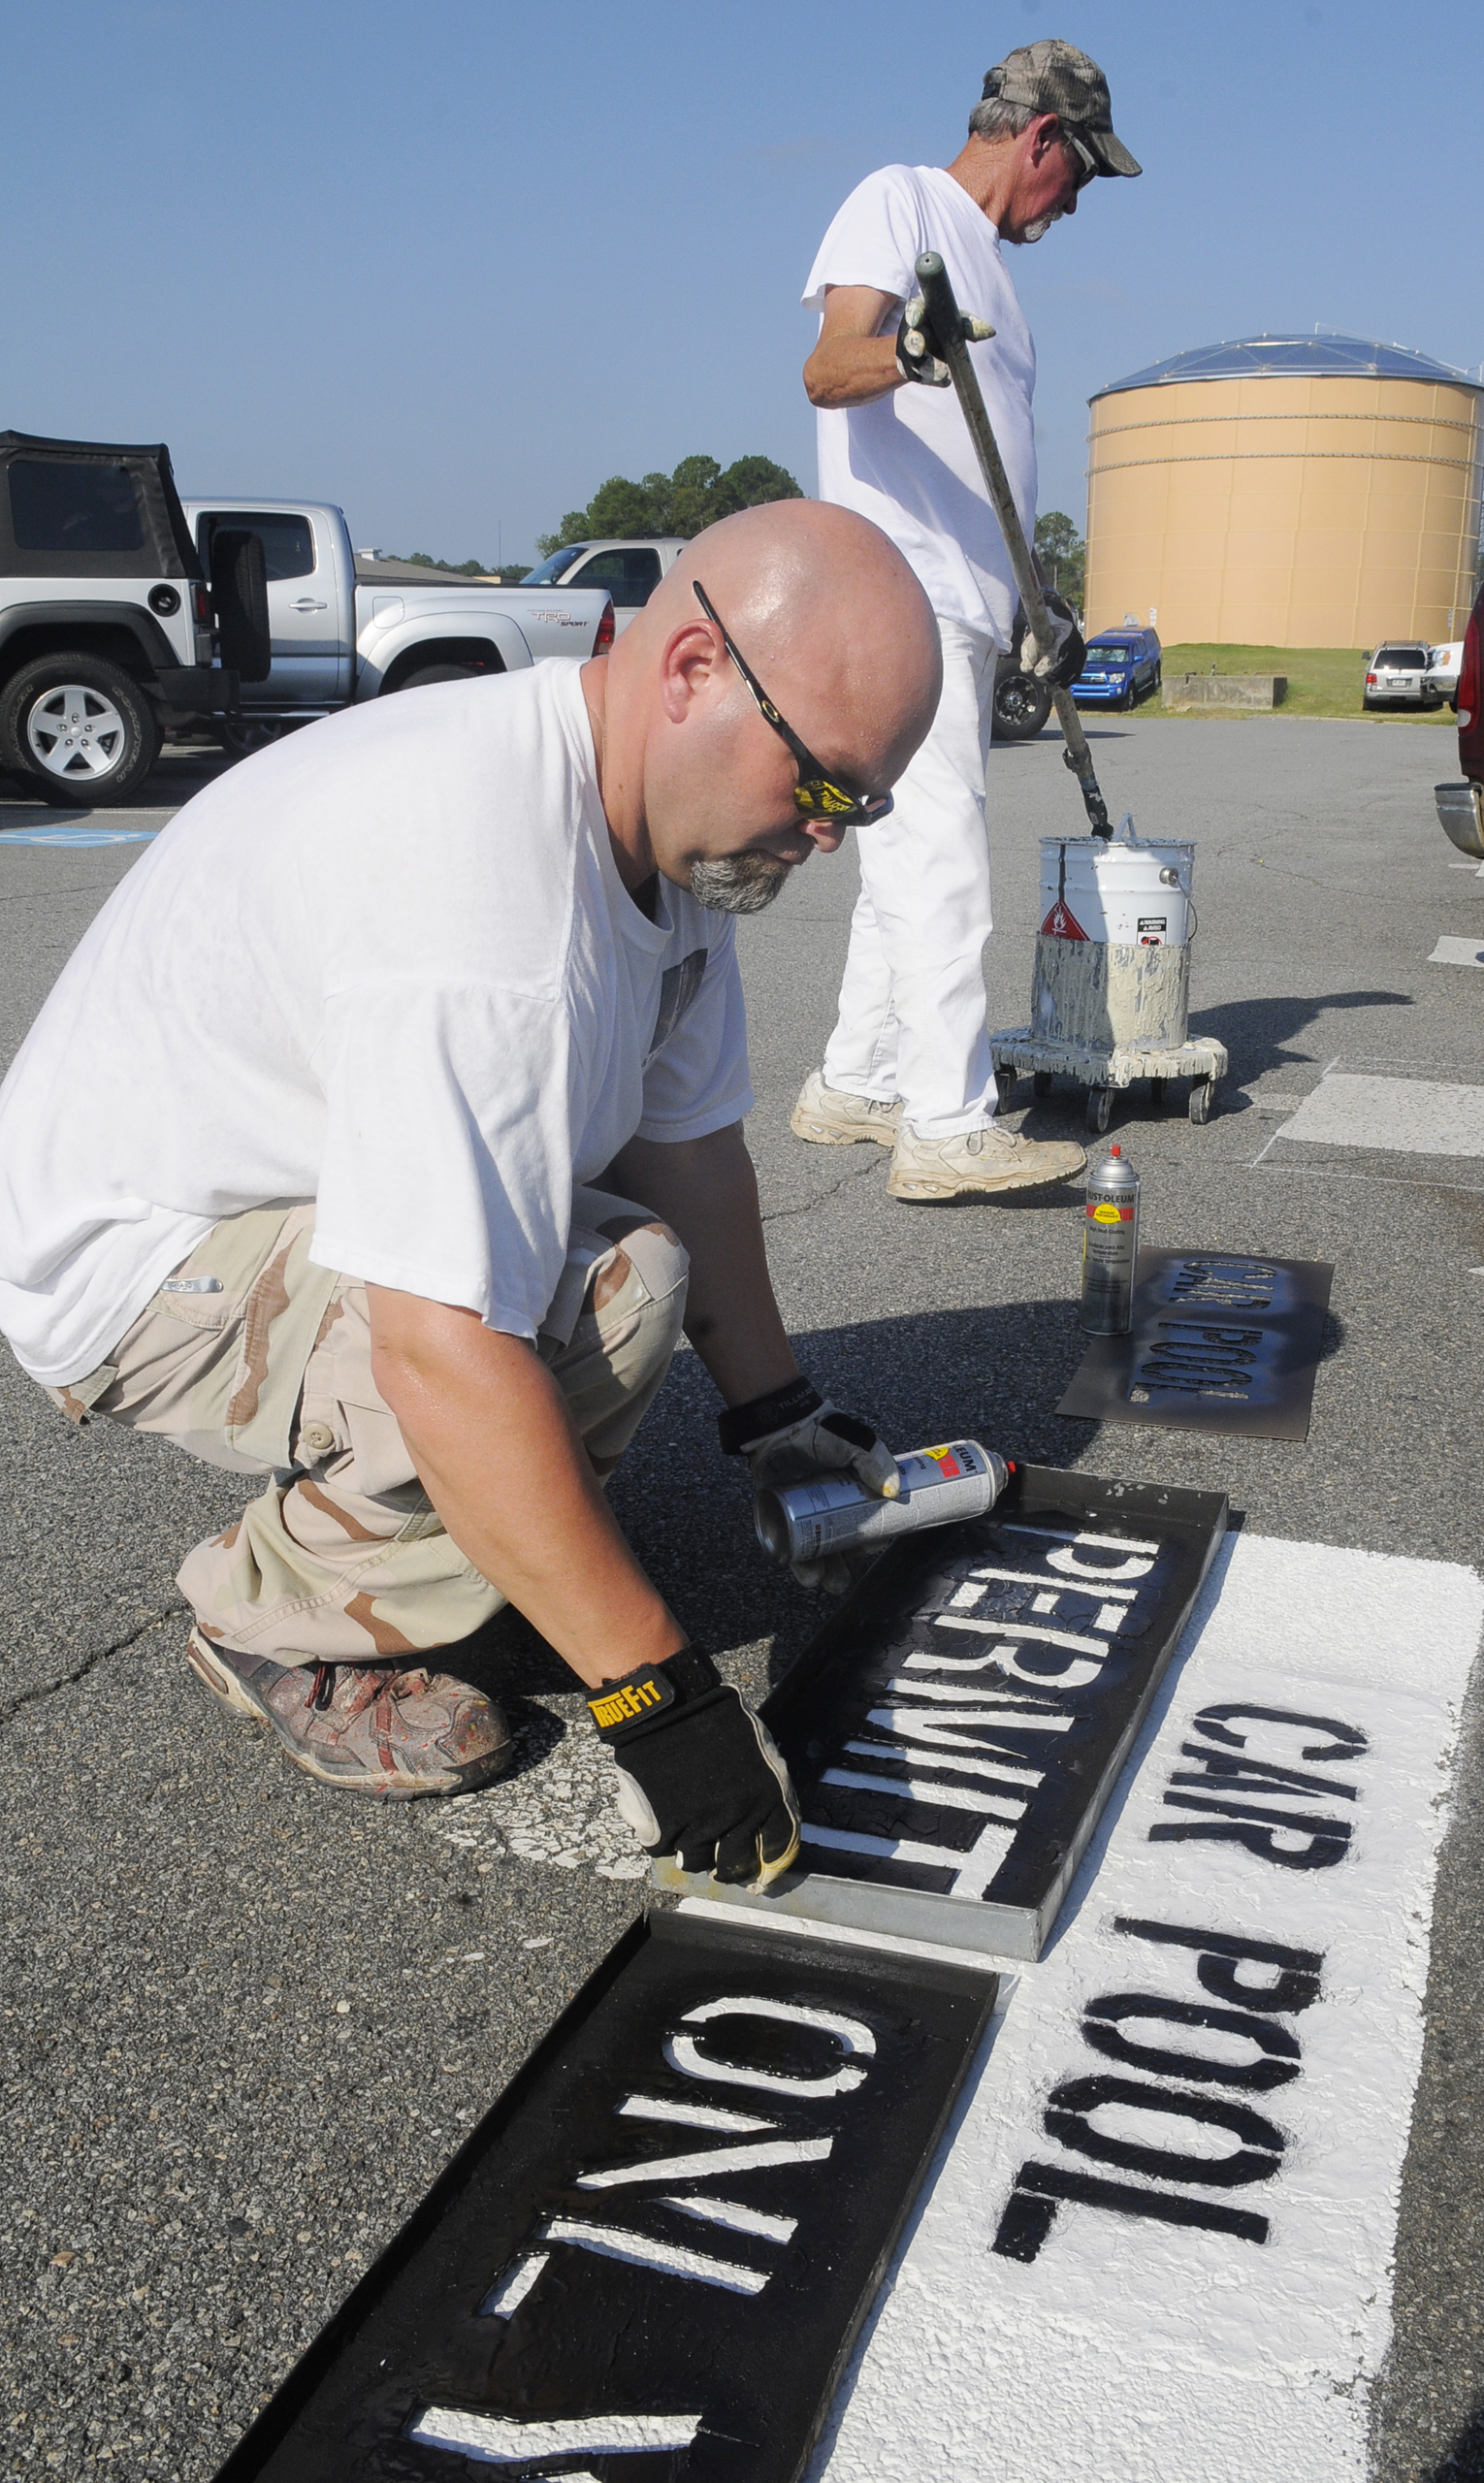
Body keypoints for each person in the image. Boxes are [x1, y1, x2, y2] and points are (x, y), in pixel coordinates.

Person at [0, 501, 942, 1892]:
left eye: (858, 806)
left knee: (629, 1262)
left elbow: (684, 1151)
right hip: (133, 1266)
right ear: (690, 670)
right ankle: (280, 1615)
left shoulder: (666, 835)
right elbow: (443, 1347)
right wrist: (661, 1708)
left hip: (281, 1193)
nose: (828, 839)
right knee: (567, 1307)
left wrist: (779, 1418)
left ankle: (453, 1553)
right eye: (821, 787)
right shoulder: (485, 896)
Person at [791, 38, 1142, 1203]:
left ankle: (854, 1081)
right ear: (1041, 136)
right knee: (939, 860)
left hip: (966, 603)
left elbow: (989, 476)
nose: (1077, 201)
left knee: (904, 857)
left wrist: (1035, 600)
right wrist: (904, 345)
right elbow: (828, 366)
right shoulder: (900, 202)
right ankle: (944, 1123)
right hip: (897, 593)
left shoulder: (1000, 288)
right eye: (1080, 173)